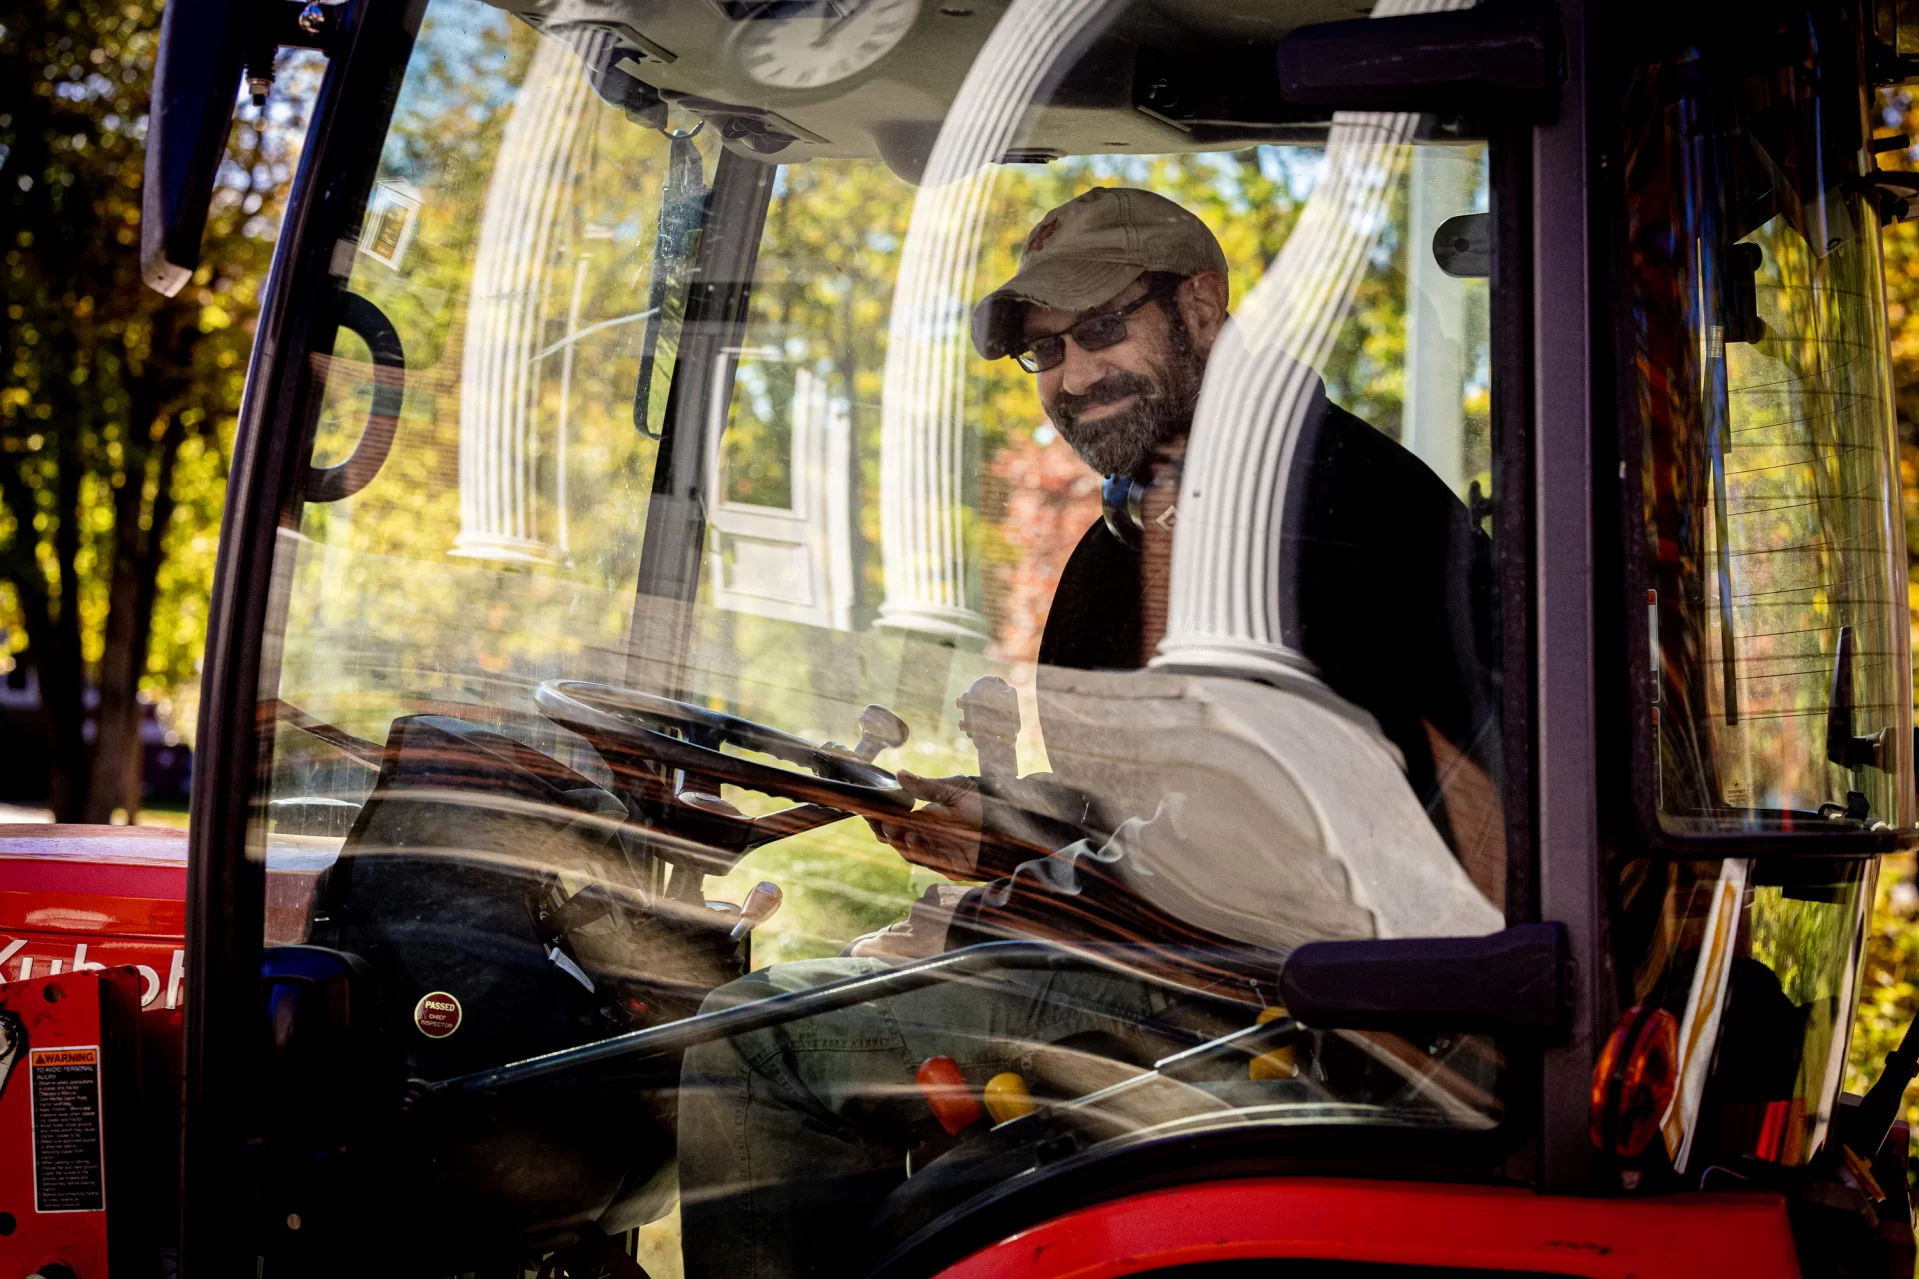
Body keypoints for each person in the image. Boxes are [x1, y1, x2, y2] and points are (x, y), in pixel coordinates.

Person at [676, 188, 1503, 1279]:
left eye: (1103, 328)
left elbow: (1287, 845)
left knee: (757, 1042)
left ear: (1200, 306)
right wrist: (999, 831)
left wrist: (1001, 913)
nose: (1072, 376)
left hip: (1291, 1011)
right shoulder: (1158, 515)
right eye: (1047, 351)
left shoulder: (1320, 517)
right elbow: (1166, 808)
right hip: (1201, 964)